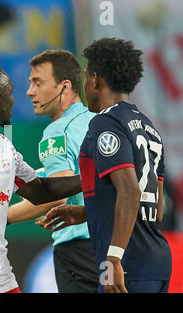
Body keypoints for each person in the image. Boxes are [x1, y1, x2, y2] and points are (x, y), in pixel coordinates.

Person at [38, 38, 172, 293]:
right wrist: (84, 213)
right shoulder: (149, 128)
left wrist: (113, 258)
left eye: (87, 76)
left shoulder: (104, 124)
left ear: (96, 79)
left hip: (125, 264)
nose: (85, 84)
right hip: (158, 263)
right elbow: (156, 208)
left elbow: (131, 191)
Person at [0, 60, 81, 293]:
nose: (15, 100)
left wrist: (91, 178)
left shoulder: (4, 146)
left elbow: (40, 192)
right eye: (10, 94)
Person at [25, 50, 99, 293]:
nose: (30, 91)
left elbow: (58, 193)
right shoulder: (101, 122)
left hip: (78, 248)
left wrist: (4, 216)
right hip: (114, 243)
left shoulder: (57, 132)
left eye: (38, 82)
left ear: (64, 86)